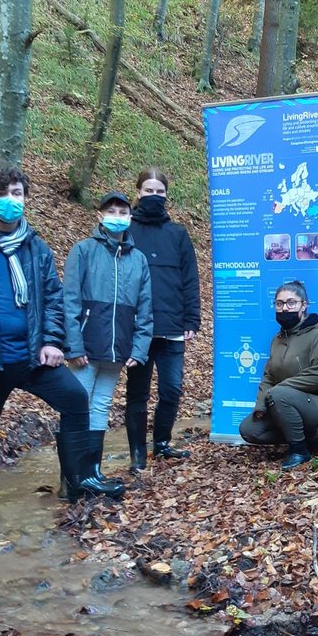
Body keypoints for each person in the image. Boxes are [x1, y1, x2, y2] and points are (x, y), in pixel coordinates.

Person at [0, 162, 122, 522]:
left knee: (76, 399)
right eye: (1, 194)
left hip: (32, 357)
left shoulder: (36, 247)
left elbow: (52, 298)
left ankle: (76, 482)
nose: (9, 200)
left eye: (16, 193)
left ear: (25, 198)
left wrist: (52, 342)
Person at [62, 190, 152, 489]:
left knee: (100, 405)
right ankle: (70, 477)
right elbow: (70, 299)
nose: (117, 217)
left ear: (130, 217)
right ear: (100, 215)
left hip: (119, 346)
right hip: (86, 346)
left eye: (122, 212)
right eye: (111, 211)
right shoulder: (83, 250)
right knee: (77, 405)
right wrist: (72, 345)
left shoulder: (138, 259)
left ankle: (93, 471)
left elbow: (145, 308)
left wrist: (139, 348)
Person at [125, 169, 201, 468]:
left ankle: (162, 443)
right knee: (137, 394)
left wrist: (191, 320)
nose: (154, 196)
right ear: (138, 193)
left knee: (171, 390)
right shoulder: (127, 230)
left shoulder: (178, 234)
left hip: (172, 329)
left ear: (166, 195)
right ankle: (137, 454)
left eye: (159, 191)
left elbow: (190, 279)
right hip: (138, 330)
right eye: (148, 191)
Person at [239, 281, 318, 468]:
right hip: (291, 401)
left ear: (303, 305)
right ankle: (311, 441)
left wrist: (278, 391)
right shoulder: (278, 340)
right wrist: (260, 407)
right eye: (279, 304)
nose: (284, 308)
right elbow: (268, 377)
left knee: (279, 395)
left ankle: (299, 451)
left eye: (291, 303)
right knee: (249, 430)